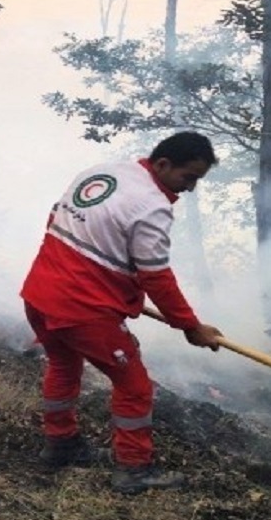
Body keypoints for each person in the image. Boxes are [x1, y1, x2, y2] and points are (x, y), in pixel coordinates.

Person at [20, 131, 224, 495]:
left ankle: (60, 443)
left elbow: (57, 222)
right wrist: (190, 327)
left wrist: (116, 286)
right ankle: (133, 469)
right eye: (188, 177)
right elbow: (157, 278)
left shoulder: (104, 172)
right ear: (163, 164)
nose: (190, 188)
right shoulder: (151, 207)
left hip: (39, 292)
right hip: (82, 310)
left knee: (64, 366)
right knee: (134, 386)